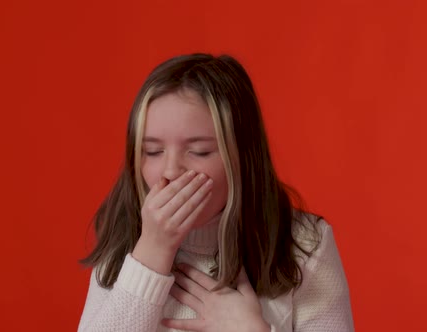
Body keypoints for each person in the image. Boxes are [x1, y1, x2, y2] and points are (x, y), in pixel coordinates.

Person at [78, 53, 354, 332]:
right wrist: (152, 252)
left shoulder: (305, 245)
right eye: (153, 151)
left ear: (243, 158)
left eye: (199, 152)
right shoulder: (124, 240)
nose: (171, 171)